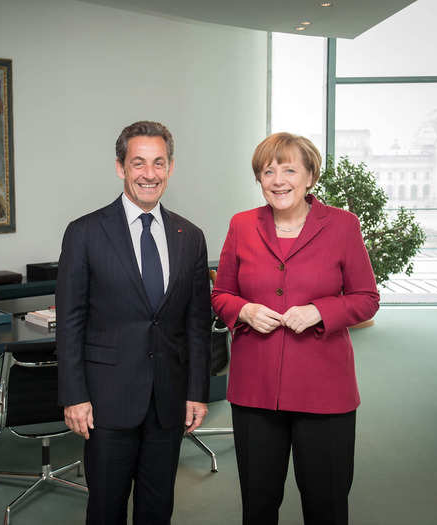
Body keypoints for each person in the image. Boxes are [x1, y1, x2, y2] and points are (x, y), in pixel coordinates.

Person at [211, 132, 380, 525]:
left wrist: (320, 312)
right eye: (268, 171)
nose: (278, 180)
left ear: (309, 177)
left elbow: (366, 297)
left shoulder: (342, 225)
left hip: (325, 392)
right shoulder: (242, 225)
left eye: (289, 169)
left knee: (326, 504)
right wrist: (246, 310)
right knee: (258, 503)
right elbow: (221, 294)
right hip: (255, 391)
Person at [57, 121, 211, 525]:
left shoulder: (190, 236)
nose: (149, 173)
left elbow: (197, 323)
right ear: (120, 167)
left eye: (158, 163)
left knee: (157, 509)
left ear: (171, 168)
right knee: (106, 509)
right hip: (106, 401)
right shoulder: (85, 233)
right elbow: (70, 322)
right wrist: (74, 395)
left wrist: (196, 391)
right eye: (138, 163)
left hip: (168, 400)